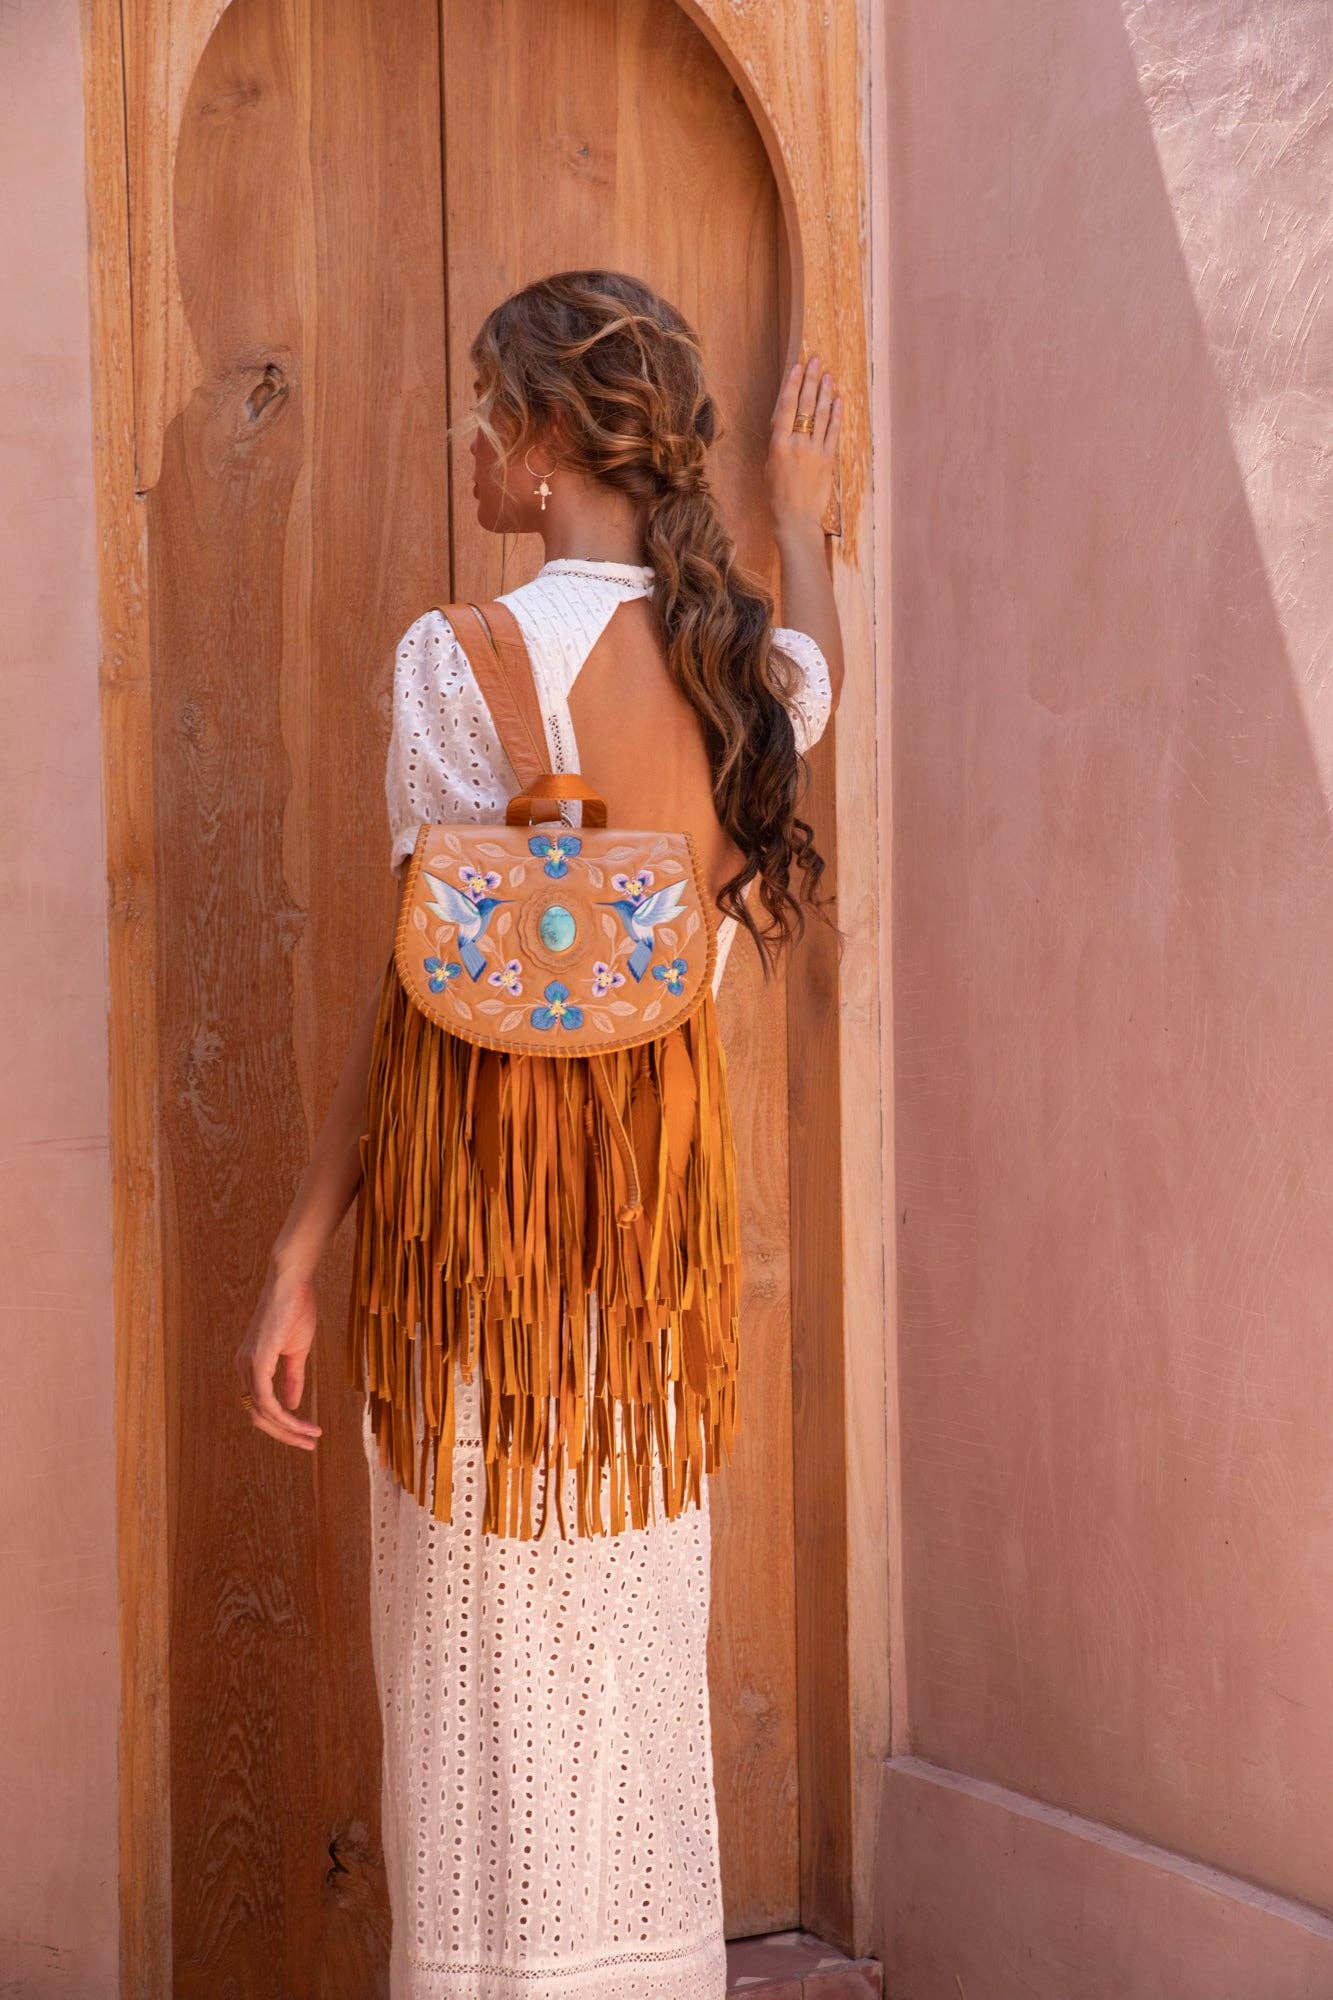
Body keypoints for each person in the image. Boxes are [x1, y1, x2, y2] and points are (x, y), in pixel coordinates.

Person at [235, 269, 844, 2000]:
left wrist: (300, 1255)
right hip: (645, 1277)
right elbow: (830, 661)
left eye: (479, 409)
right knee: (627, 1659)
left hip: (468, 1265)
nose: (463, 442)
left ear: (547, 434)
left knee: (467, 1669)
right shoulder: (761, 675)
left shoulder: (460, 663)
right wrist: (800, 530)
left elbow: (418, 986)